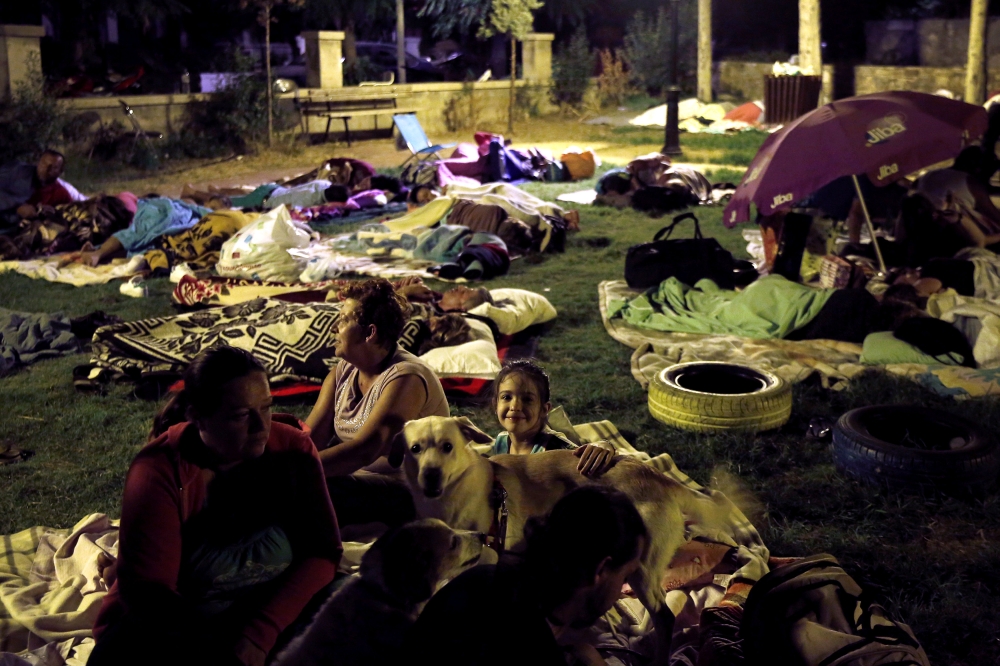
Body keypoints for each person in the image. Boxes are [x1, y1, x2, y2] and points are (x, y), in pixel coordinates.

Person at [89, 347, 342, 666]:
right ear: (197, 416)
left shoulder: (292, 450)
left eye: (266, 408)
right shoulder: (159, 470)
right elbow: (153, 599)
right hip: (187, 624)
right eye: (240, 415)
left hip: (270, 609)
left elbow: (323, 551)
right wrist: (226, 652)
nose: (260, 426)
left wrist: (258, 633)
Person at [406, 486, 656, 666]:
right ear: (600, 570)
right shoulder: (529, 648)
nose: (620, 592)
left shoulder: (480, 579)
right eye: (624, 576)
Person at [306, 278, 450, 526]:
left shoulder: (407, 377)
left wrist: (295, 472)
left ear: (370, 332)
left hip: (410, 493)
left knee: (316, 487)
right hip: (360, 482)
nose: (334, 327)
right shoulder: (343, 372)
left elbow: (367, 448)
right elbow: (309, 439)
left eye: (343, 320)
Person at [490, 360, 615, 476]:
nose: (515, 406)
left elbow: (589, 459)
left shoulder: (553, 447)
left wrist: (604, 445)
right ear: (495, 405)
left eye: (527, 399)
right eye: (506, 397)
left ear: (544, 409)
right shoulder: (501, 442)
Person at [0, 150, 84, 232]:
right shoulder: (18, 171)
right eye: (43, 164)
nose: (46, 169)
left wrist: (49, 214)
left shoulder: (61, 192)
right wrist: (18, 207)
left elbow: (73, 211)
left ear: (60, 171)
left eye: (52, 167)